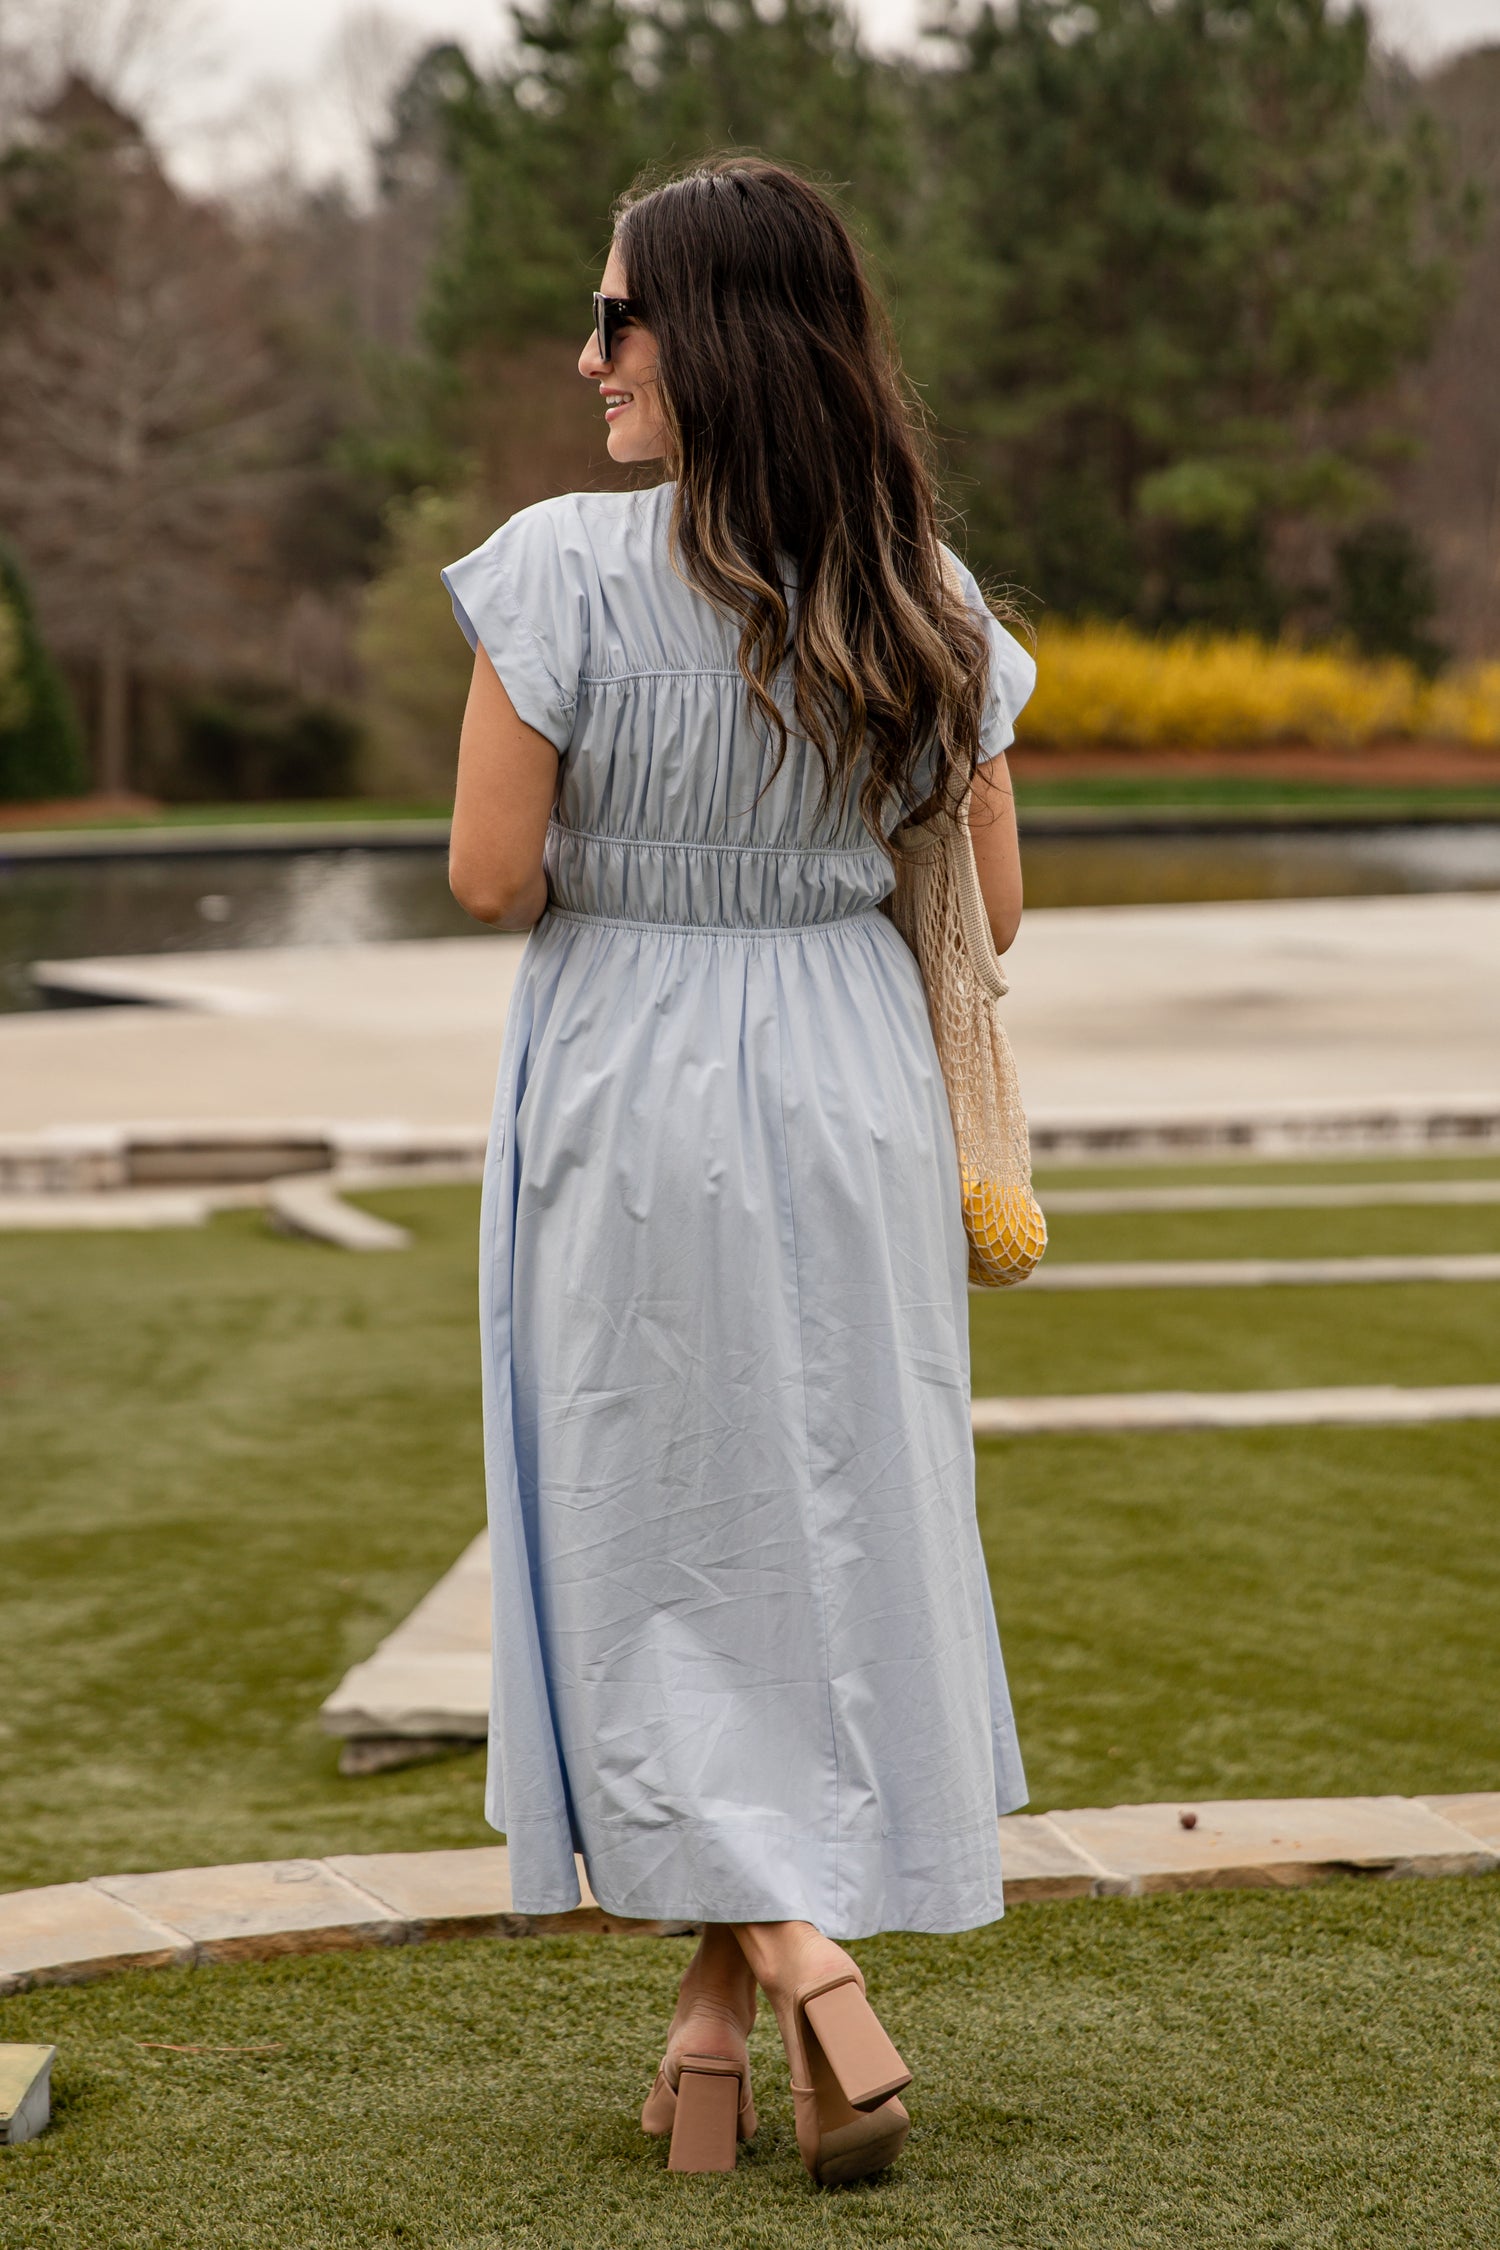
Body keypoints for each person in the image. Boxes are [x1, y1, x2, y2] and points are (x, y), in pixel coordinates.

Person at [443, 156, 1035, 2188]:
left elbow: (490, 874)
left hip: (631, 1077)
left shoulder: (560, 571)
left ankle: (794, 1960)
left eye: (617, 317)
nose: (588, 352)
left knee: (636, 1522)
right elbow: (993, 912)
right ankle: (706, 2034)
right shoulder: (926, 592)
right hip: (852, 1082)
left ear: (705, 336)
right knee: (816, 1521)